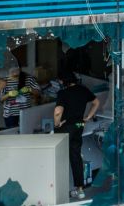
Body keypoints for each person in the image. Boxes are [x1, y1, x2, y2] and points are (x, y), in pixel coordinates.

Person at [54, 71, 100, 200]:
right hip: (79, 125)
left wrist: (57, 124)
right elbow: (96, 102)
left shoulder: (63, 93)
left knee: (58, 157)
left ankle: (58, 191)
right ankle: (80, 190)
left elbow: (58, 111)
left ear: (63, 81)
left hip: (66, 126)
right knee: (76, 156)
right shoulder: (83, 90)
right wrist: (88, 118)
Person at [1, 60, 41, 129]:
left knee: (26, 134)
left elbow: (38, 92)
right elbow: (0, 99)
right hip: (10, 115)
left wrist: (29, 89)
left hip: (26, 113)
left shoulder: (28, 78)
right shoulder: (4, 81)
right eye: (12, 70)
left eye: (17, 69)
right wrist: (8, 94)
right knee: (12, 136)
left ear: (20, 69)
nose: (15, 72)